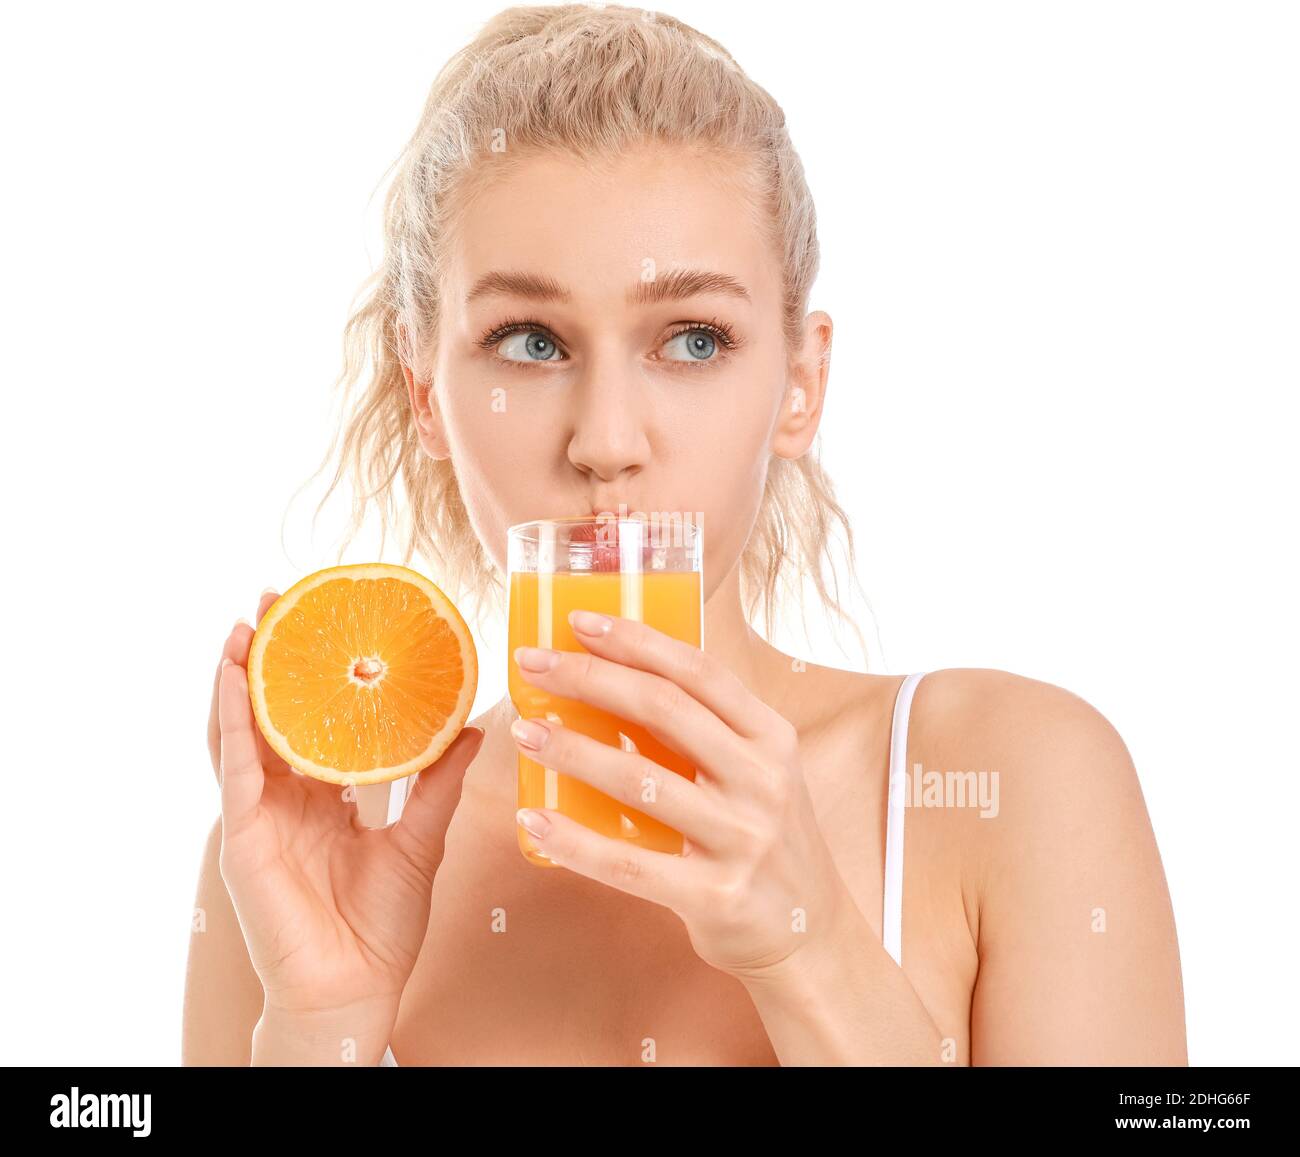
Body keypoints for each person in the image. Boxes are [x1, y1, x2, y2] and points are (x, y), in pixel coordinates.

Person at [184, 4, 1186, 1066]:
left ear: (801, 384)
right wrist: (319, 1026)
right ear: (425, 389)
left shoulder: (1015, 781)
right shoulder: (312, 853)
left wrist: (813, 948)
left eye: (693, 340)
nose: (606, 442)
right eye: (530, 342)